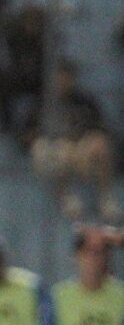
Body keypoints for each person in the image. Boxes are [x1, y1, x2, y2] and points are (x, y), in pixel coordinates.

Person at [30, 61, 120, 221]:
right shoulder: (43, 103)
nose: (63, 81)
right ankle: (66, 196)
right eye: (59, 78)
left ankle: (106, 199)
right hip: (58, 148)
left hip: (81, 146)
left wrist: (83, 142)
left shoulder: (85, 101)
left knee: (100, 143)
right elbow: (28, 132)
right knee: (51, 149)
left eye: (67, 77)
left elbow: (100, 127)